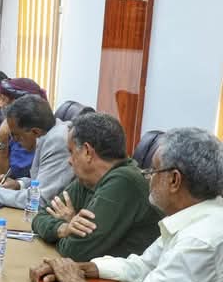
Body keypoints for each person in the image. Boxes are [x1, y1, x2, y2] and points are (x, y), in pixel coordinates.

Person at [30, 128, 223, 282]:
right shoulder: (195, 218)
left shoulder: (200, 241)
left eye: (153, 170)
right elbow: (142, 266)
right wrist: (81, 268)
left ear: (174, 180)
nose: (148, 178)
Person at [31, 112, 162, 262]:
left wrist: (62, 232)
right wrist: (63, 228)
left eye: (71, 152)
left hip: (126, 277)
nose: (69, 161)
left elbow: (75, 251)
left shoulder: (124, 181)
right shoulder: (87, 178)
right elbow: (39, 217)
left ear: (87, 152)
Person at [0, 95, 74, 209]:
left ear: (35, 132)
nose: (14, 140)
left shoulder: (58, 142)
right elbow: (42, 180)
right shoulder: (48, 134)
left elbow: (39, 199)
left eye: (16, 135)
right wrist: (19, 184)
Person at [0, 78, 47, 177]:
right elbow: (0, 177)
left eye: (4, 99)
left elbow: (6, 176)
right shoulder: (12, 127)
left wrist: (2, 136)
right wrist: (1, 137)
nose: (0, 104)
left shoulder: (31, 133)